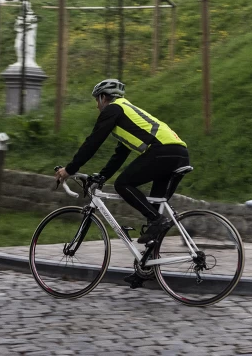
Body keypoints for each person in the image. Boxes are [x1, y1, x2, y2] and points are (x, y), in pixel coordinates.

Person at [54, 78, 190, 246]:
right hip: (179, 153)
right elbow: (120, 154)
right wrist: (102, 176)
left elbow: (93, 142)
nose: (97, 106)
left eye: (97, 100)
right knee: (154, 210)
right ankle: (147, 270)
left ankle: (158, 221)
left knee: (123, 184)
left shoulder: (113, 109)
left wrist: (69, 169)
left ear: (103, 97)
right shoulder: (126, 114)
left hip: (163, 152)